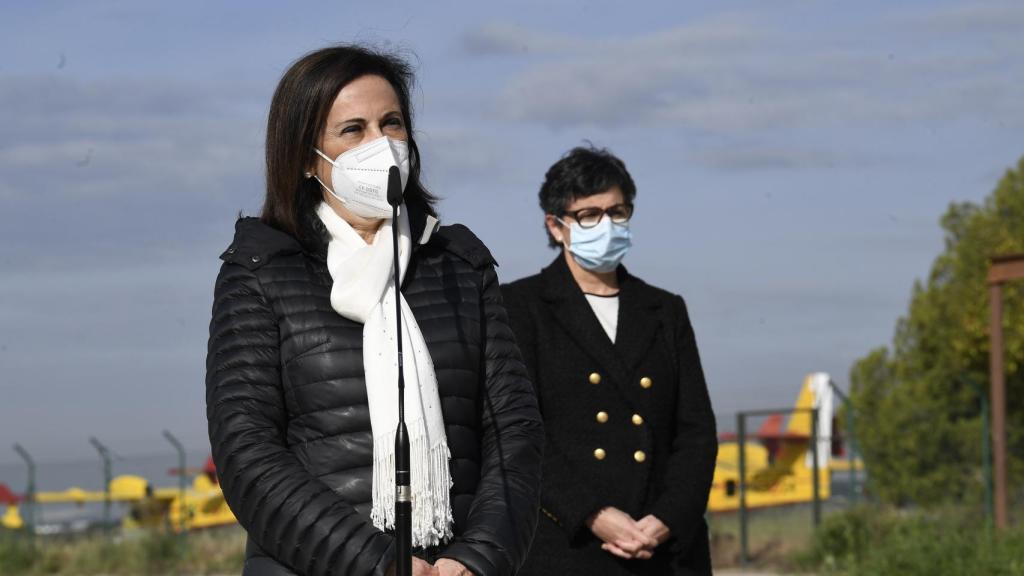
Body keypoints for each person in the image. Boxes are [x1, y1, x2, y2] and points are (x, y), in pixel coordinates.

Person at [205, 45, 544, 576]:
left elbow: (514, 433)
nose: (380, 145)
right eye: (353, 130)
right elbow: (247, 453)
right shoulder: (260, 271)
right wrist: (378, 565)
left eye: (392, 124)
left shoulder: (459, 265)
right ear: (304, 156)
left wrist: (475, 560)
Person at [502, 146, 718, 575]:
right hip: (568, 545)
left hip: (664, 549)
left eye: (617, 212)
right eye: (589, 214)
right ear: (556, 225)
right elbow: (518, 435)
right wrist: (593, 515)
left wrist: (667, 519)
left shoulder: (664, 309)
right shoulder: (520, 306)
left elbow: (696, 431)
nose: (606, 224)